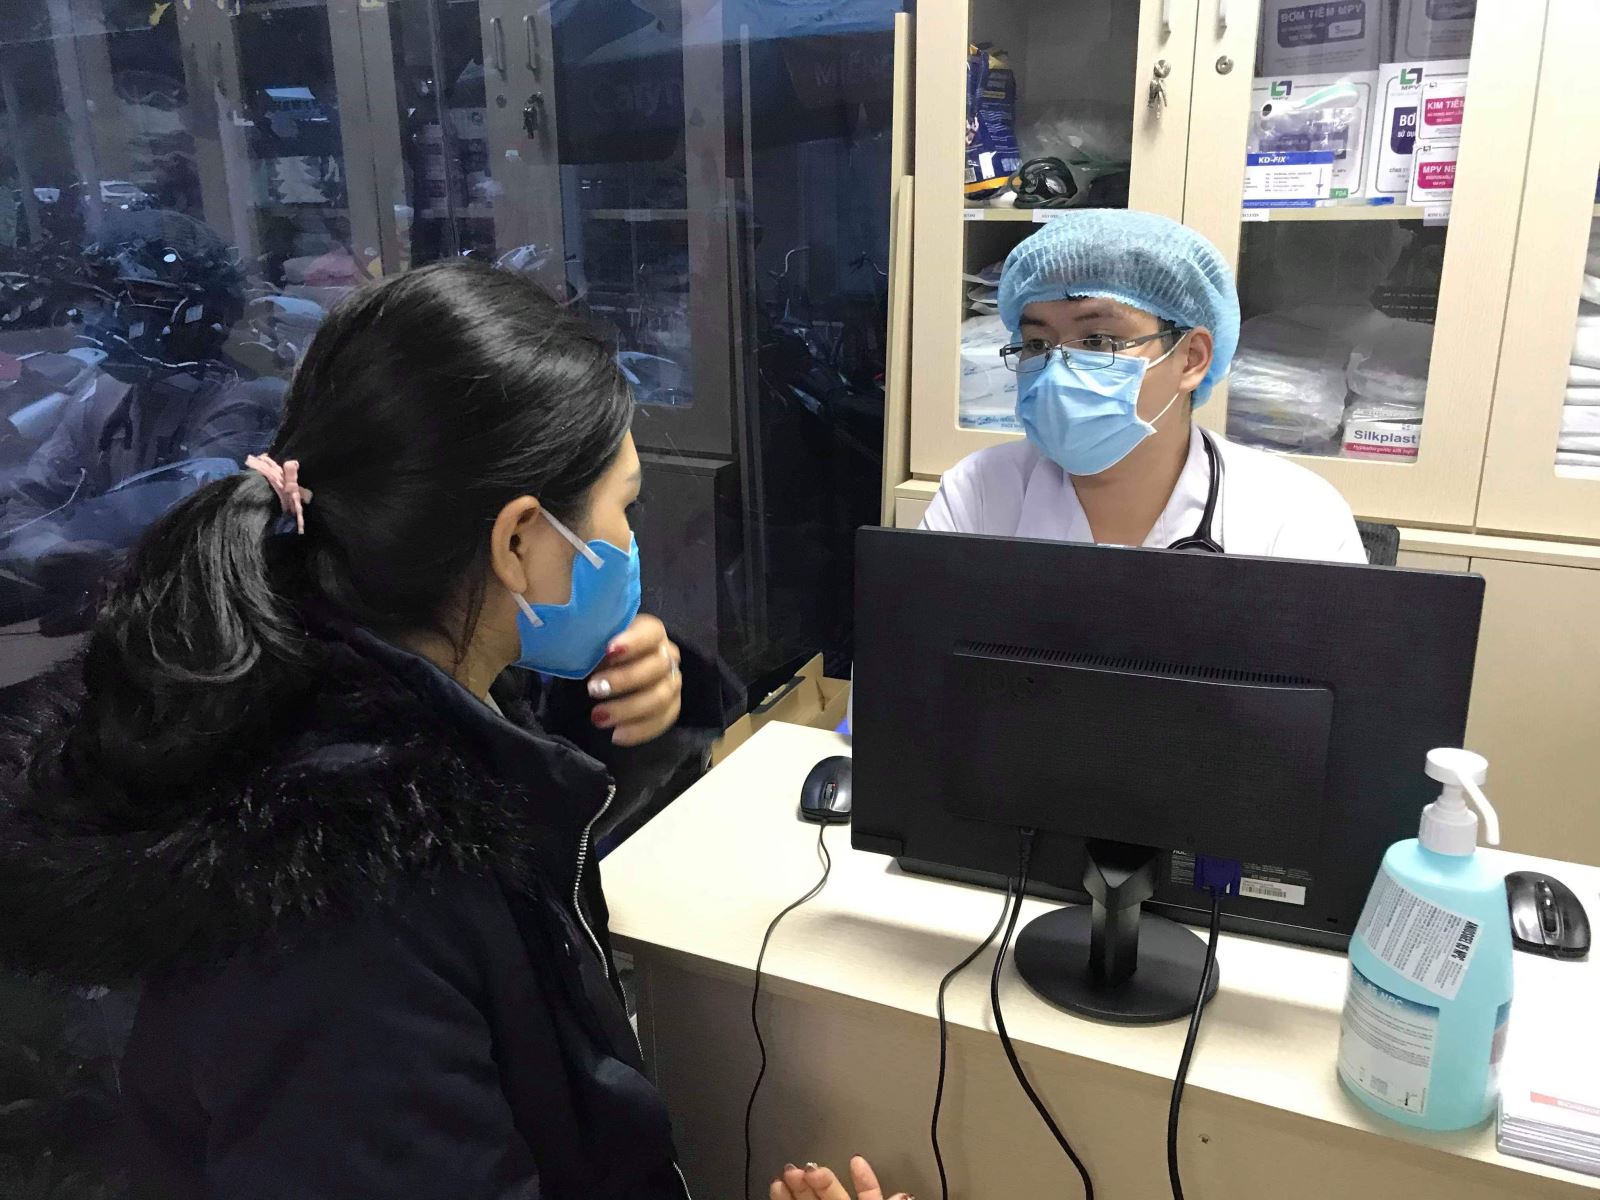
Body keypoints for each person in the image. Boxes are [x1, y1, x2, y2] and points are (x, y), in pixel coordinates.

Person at [0, 260, 743, 1197]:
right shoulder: (347, 910)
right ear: (519, 541)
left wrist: (621, 725)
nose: (630, 545)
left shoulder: (336, 691)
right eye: (624, 509)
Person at [924, 208, 1366, 562]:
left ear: (1192, 358)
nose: (1057, 370)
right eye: (1037, 344)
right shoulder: (978, 493)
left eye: (1097, 341)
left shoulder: (1296, 516)